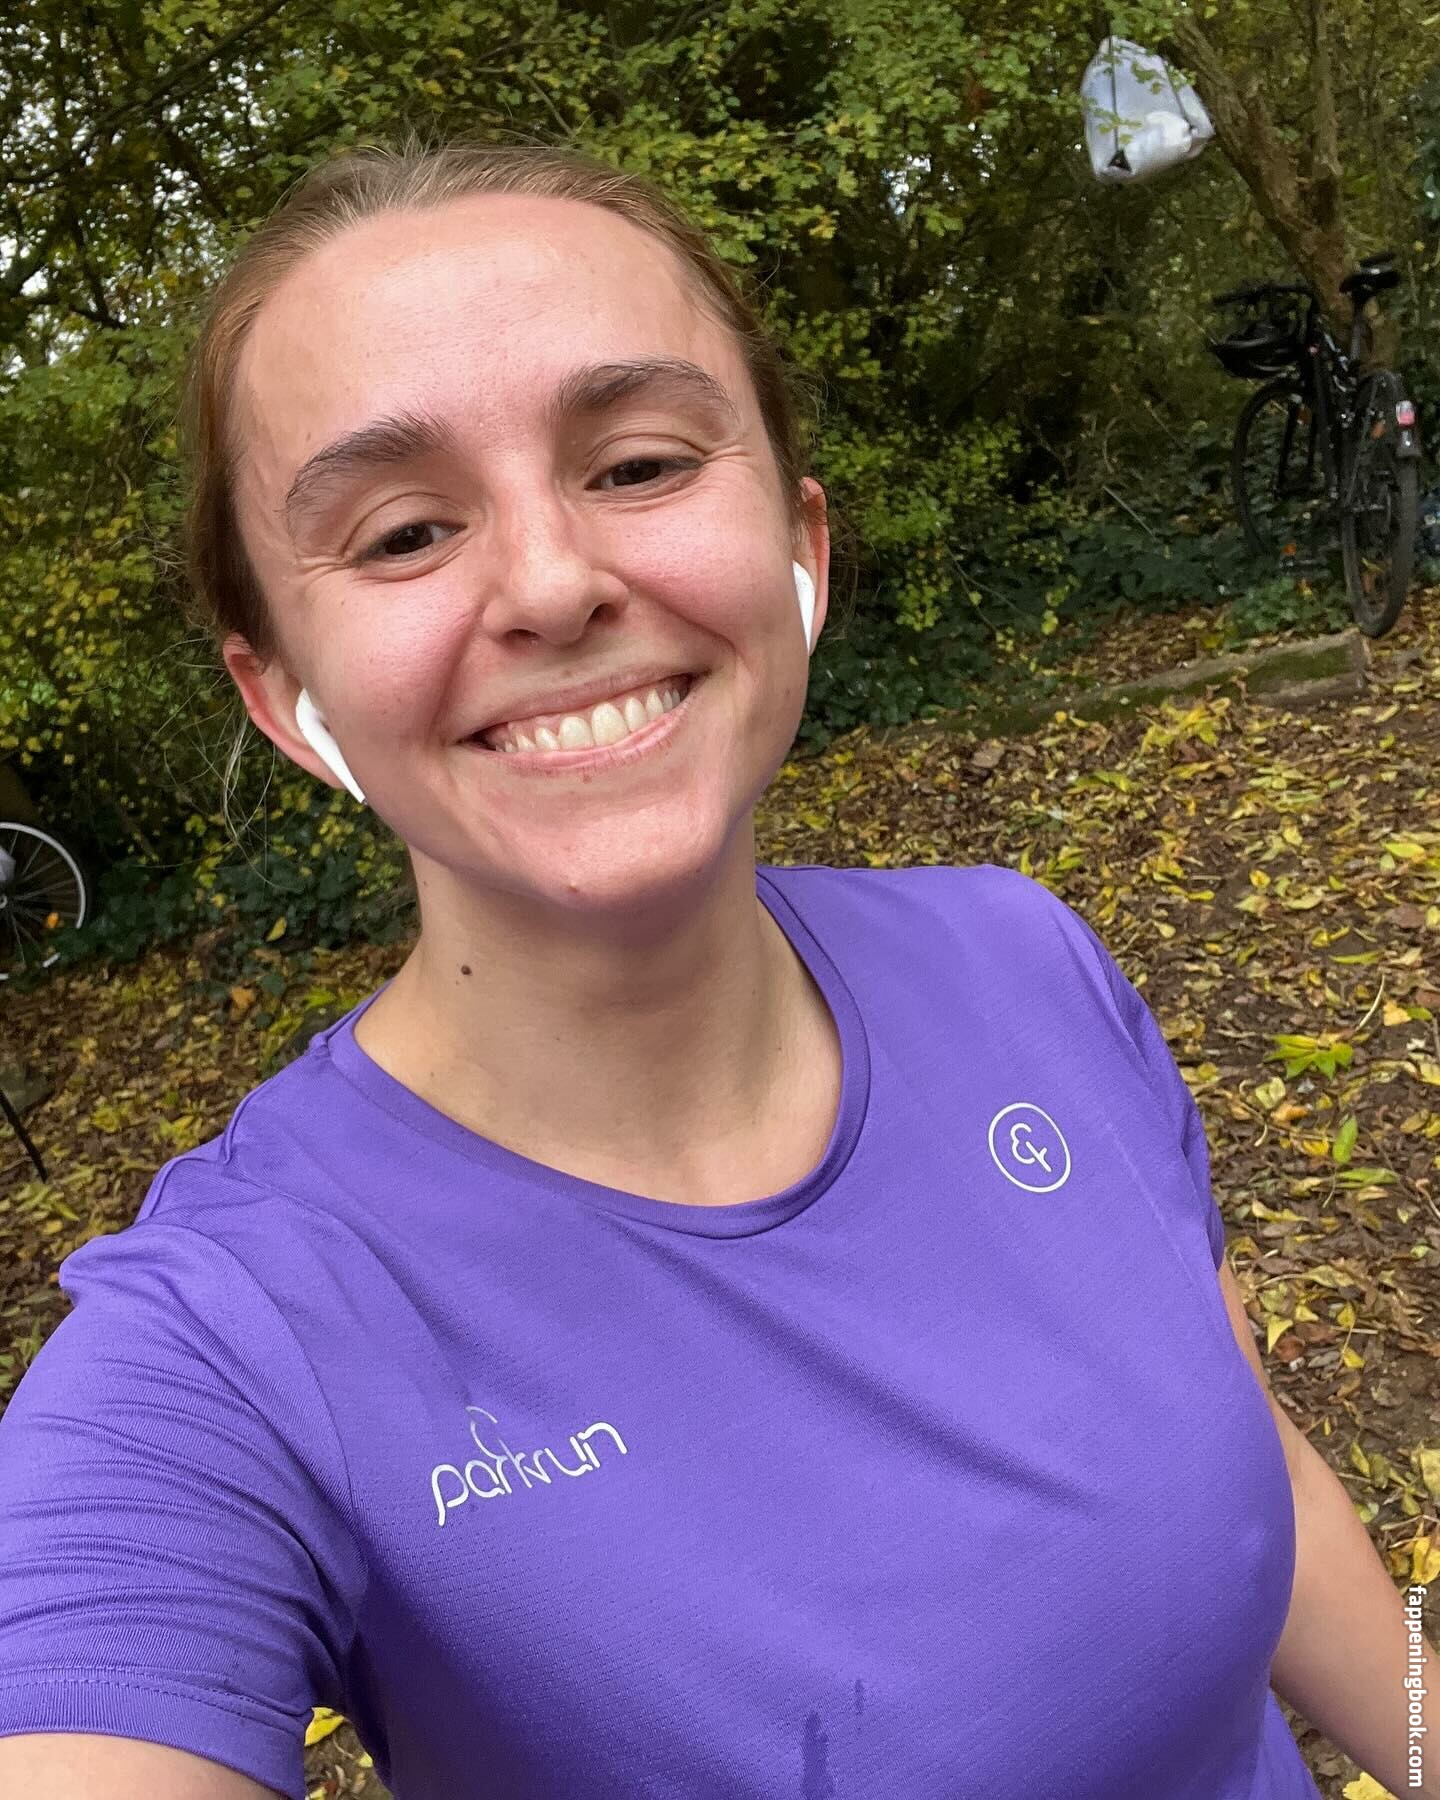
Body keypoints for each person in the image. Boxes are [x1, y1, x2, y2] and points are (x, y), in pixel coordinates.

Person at [0, 137, 1433, 1800]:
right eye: (402, 534)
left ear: (797, 545)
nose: (552, 584)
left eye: (637, 463)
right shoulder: (228, 1352)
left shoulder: (1022, 957)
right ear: (285, 699)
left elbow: (1255, 1473)